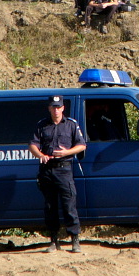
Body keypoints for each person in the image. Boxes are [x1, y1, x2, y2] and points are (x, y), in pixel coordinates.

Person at [28, 95, 87, 253]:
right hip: (47, 169)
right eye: (53, 107)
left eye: (58, 107)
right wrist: (40, 155)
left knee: (69, 205)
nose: (56, 110)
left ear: (63, 108)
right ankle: (54, 241)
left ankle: (75, 240)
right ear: (49, 108)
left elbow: (82, 145)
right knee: (50, 207)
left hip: (64, 169)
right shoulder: (42, 125)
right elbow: (32, 144)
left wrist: (66, 152)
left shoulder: (71, 124)